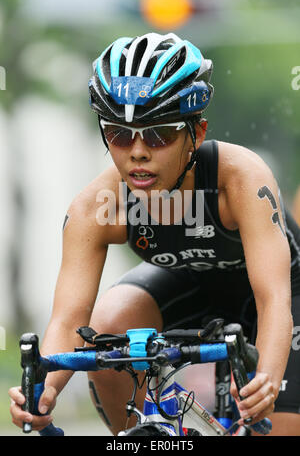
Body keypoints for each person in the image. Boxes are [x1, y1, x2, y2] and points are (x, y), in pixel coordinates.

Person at [9, 32, 300, 436]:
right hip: (190, 286)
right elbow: (69, 320)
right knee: (109, 326)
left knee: (276, 430)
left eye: (159, 134)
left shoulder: (241, 179)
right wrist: (44, 391)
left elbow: (274, 299)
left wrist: (264, 380)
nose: (138, 152)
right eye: (120, 134)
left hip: (279, 297)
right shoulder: (95, 206)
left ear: (196, 134)